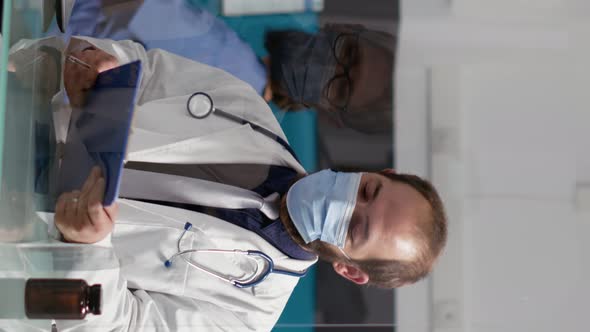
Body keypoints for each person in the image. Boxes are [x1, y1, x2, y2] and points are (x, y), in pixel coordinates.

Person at [8, 35, 446, 331]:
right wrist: (102, 67)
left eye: (356, 229)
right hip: (20, 122)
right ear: (379, 173)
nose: (345, 203)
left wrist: (91, 248)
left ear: (350, 270)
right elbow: (145, 68)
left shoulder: (248, 315)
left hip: (18, 245)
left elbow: (127, 324)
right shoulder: (246, 111)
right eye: (368, 192)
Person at [58, 0, 396, 133]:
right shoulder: (246, 118)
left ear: (328, 110)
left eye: (341, 86)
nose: (328, 66)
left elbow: (125, 5)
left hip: (48, 36)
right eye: (347, 55)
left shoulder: (231, 62)